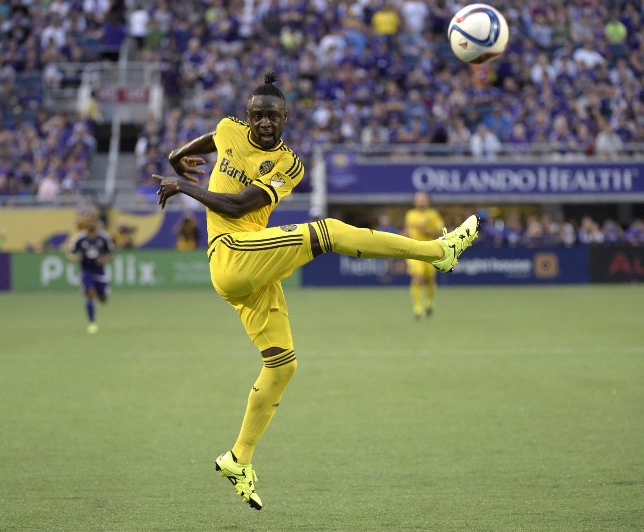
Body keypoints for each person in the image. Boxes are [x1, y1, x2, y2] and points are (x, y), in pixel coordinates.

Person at [152, 72, 480, 511]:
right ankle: (437, 251)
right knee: (329, 231)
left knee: (282, 366)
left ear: (285, 118)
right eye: (257, 116)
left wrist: (184, 184)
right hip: (230, 254)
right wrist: (178, 157)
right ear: (247, 117)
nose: (264, 123)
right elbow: (216, 137)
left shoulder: (290, 165)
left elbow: (237, 205)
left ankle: (238, 457)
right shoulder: (232, 129)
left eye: (272, 116)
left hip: (246, 261)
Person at [67, 212, 115, 334]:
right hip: (86, 270)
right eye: (88, 221)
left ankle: (102, 294)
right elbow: (70, 253)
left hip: (100, 271)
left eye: (92, 220)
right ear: (85, 223)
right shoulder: (80, 238)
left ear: (96, 223)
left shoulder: (104, 238)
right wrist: (75, 258)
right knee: (90, 293)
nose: (90, 223)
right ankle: (92, 323)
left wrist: (104, 259)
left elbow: (111, 252)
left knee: (103, 299)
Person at [403, 192, 444, 320]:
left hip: (430, 250)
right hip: (414, 250)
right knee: (418, 276)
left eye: (423, 199)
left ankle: (430, 303)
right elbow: (407, 230)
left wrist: (426, 231)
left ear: (428, 201)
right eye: (418, 199)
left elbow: (441, 233)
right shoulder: (410, 214)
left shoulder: (434, 215)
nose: (421, 201)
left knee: (430, 279)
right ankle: (418, 308)